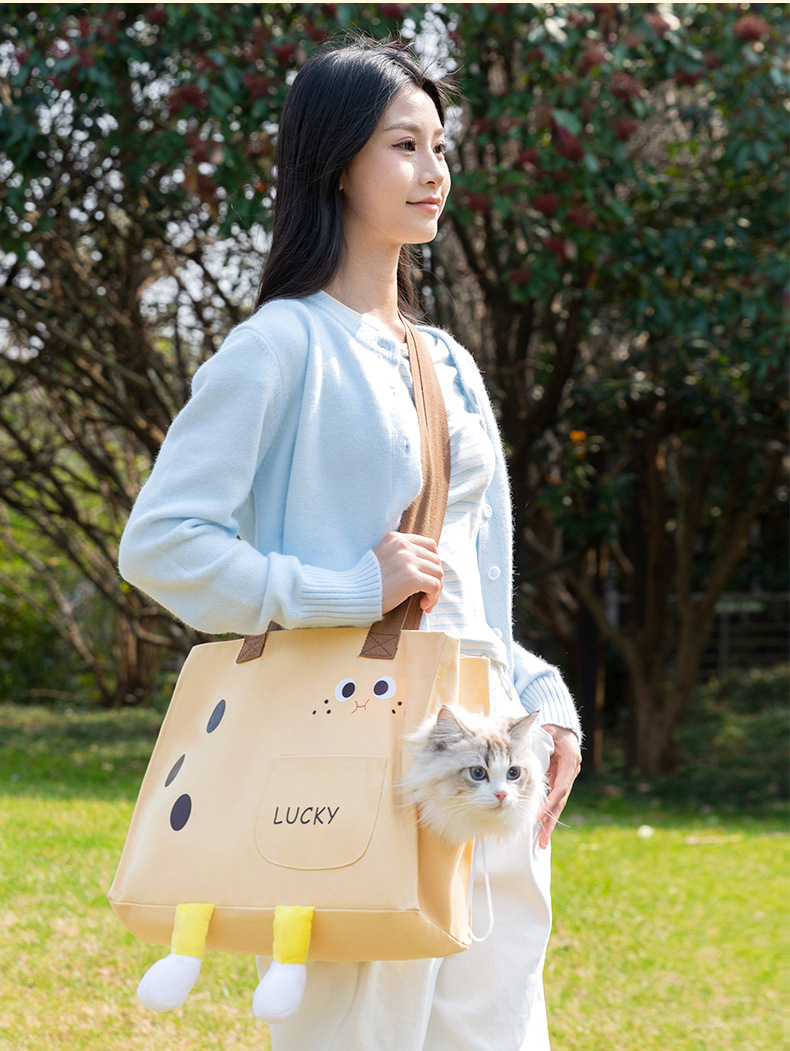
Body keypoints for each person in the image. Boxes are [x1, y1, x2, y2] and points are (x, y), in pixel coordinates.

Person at [118, 38, 581, 1051]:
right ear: (335, 164)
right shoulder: (279, 346)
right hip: (350, 762)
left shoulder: (446, 361)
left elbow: (472, 582)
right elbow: (161, 543)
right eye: (403, 145)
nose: (433, 169)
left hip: (486, 774)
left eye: (439, 146)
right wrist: (344, 591)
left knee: (500, 1034)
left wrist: (542, 700)